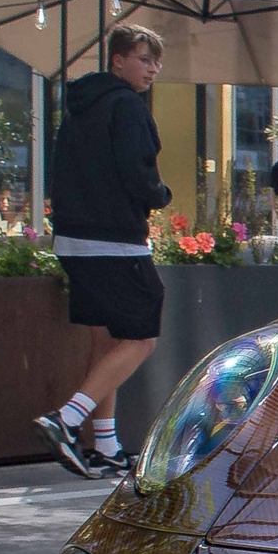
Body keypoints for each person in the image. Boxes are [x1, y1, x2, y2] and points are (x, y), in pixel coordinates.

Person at [35, 24, 173, 478]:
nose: (152, 68)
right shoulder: (127, 106)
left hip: (73, 238)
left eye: (155, 61)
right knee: (141, 336)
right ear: (118, 60)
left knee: (106, 341)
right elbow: (138, 172)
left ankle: (108, 445)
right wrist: (159, 194)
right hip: (114, 239)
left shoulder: (79, 107)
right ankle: (67, 419)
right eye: (143, 58)